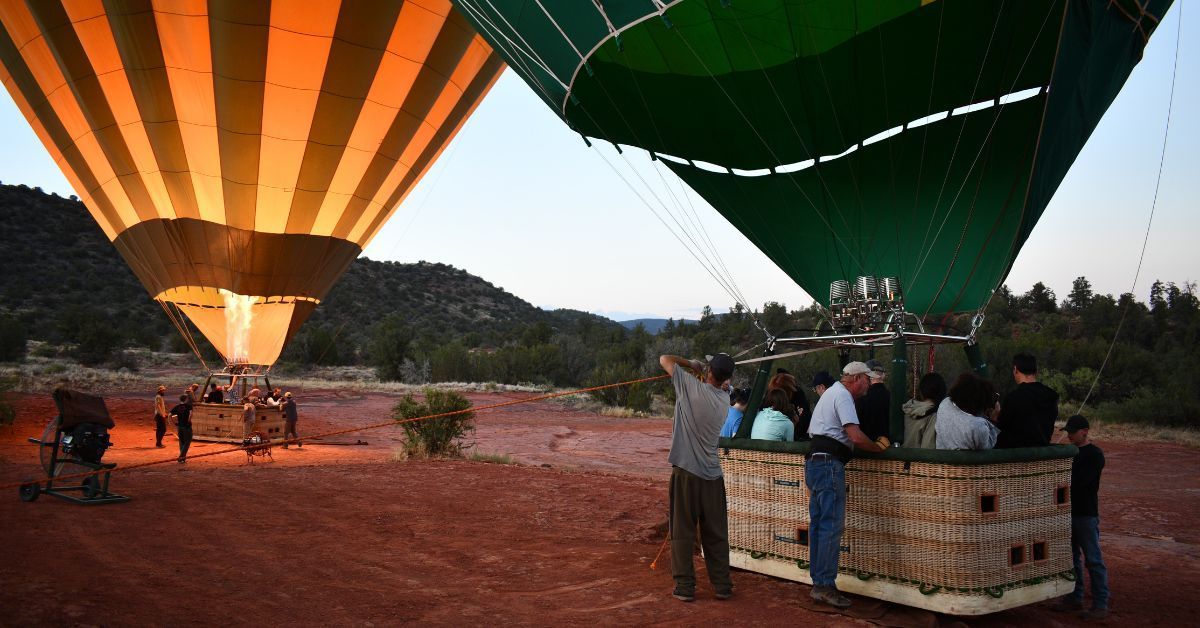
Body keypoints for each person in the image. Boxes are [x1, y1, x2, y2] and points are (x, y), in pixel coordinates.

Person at [805, 362, 888, 608]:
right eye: (867, 380)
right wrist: (877, 447)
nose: (869, 385)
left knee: (819, 526)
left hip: (815, 463)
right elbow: (854, 435)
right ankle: (825, 585)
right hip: (829, 464)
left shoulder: (831, 392)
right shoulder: (843, 396)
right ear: (858, 378)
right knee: (830, 527)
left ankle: (819, 583)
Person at [659, 352, 736, 603]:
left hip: (686, 472)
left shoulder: (690, 386)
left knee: (682, 531)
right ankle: (722, 585)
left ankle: (685, 586)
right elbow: (715, 387)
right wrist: (704, 373)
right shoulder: (724, 399)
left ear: (709, 372)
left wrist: (690, 364)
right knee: (716, 533)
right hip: (713, 476)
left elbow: (664, 359)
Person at [1053, 415, 1109, 620]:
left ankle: (1100, 603)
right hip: (1069, 512)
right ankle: (1075, 597)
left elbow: (1079, 483)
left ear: (1084, 431)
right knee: (1072, 558)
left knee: (1093, 559)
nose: (1069, 435)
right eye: (1068, 431)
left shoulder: (1094, 454)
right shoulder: (1070, 453)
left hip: (1085, 513)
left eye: (1072, 432)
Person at [995, 353, 1059, 448]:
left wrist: (995, 416)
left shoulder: (1014, 397)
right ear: (1036, 371)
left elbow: (1001, 426)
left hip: (1016, 453)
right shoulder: (1052, 396)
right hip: (1042, 452)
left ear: (1015, 369)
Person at [935, 373, 1000, 450]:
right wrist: (993, 419)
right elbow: (987, 448)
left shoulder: (945, 403)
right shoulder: (978, 427)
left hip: (941, 456)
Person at [901, 372, 945, 449]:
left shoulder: (909, 407)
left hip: (904, 454)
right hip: (919, 456)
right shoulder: (933, 416)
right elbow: (928, 447)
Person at [855, 359, 890, 440]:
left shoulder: (862, 398)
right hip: (889, 444)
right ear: (883, 375)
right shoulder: (893, 398)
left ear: (868, 376)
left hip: (866, 445)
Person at [169, 393, 194, 463]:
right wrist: (189, 420)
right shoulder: (188, 406)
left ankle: (182, 458)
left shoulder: (177, 407)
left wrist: (174, 423)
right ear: (186, 399)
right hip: (186, 426)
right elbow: (191, 413)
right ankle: (181, 457)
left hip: (180, 426)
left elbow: (169, 415)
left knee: (181, 442)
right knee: (187, 442)